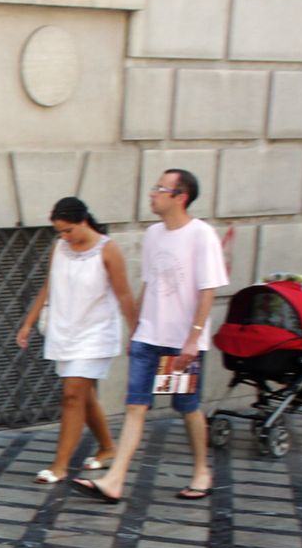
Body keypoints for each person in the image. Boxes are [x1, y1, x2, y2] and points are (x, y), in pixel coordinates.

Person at [73, 169, 228, 504]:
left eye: (160, 188)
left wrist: (193, 339)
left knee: (186, 406)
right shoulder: (154, 234)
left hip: (180, 341)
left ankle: (202, 470)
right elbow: (149, 284)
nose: (152, 194)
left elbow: (207, 291)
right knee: (135, 406)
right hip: (149, 337)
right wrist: (136, 327)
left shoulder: (201, 235)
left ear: (180, 196)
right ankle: (114, 480)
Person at [15, 197, 137, 484]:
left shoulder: (108, 251)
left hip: (95, 333)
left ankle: (59, 466)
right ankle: (107, 447)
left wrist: (136, 332)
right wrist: (28, 323)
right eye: (60, 232)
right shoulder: (60, 247)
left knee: (72, 394)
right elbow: (49, 285)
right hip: (65, 329)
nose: (64, 237)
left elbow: (124, 295)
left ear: (84, 221)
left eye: (68, 230)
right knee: (82, 393)